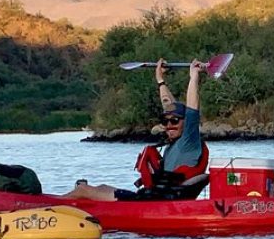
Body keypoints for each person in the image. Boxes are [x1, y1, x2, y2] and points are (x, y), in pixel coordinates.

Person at [63, 57, 205, 201]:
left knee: (83, 190)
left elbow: (192, 110)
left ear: (186, 123)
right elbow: (168, 105)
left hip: (154, 203)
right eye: (165, 121)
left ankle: (48, 208)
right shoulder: (177, 140)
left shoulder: (189, 141)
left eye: (174, 121)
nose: (169, 125)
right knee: (102, 187)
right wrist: (160, 79)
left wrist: (193, 77)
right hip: (152, 197)